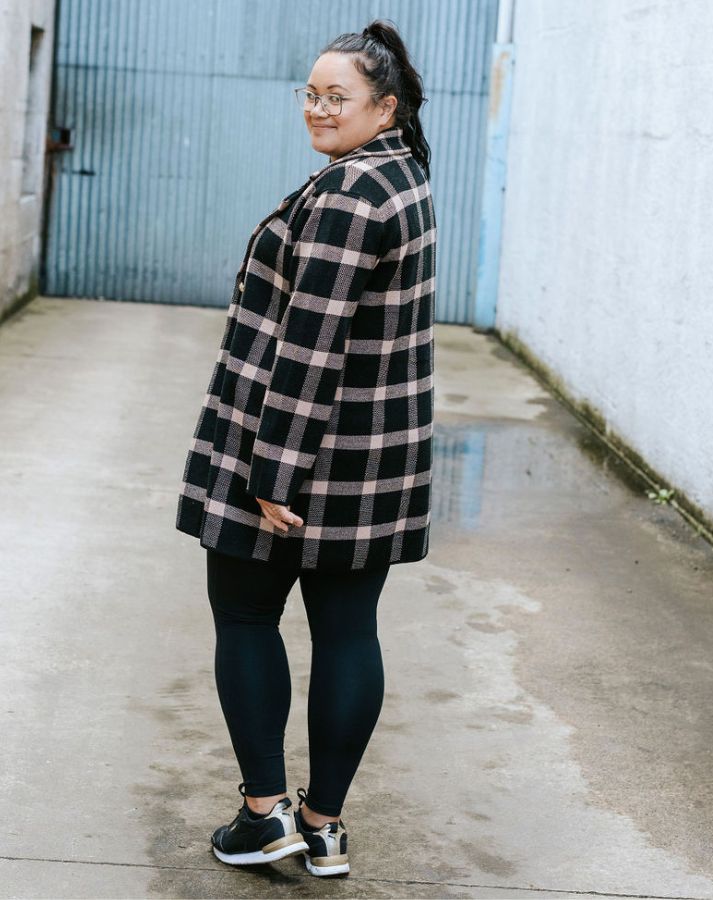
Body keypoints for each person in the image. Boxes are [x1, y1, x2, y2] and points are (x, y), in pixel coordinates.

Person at [174, 20, 435, 878]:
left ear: (384, 105)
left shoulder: (349, 196)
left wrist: (270, 473)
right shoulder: (400, 174)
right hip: (373, 460)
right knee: (348, 631)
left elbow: (310, 343)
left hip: (297, 456)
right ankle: (322, 827)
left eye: (339, 97)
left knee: (246, 616)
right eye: (312, 94)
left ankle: (264, 817)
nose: (319, 109)